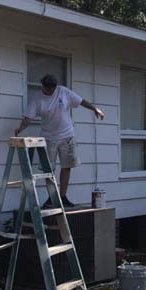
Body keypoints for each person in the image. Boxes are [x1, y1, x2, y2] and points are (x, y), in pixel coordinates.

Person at [15, 74, 105, 207]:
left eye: (53, 88)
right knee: (48, 170)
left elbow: (80, 101)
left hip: (67, 135)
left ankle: (62, 197)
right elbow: (29, 118)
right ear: (43, 87)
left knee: (67, 166)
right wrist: (20, 128)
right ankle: (52, 196)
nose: (52, 91)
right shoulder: (37, 98)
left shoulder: (63, 91)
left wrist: (94, 109)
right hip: (49, 137)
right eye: (49, 89)